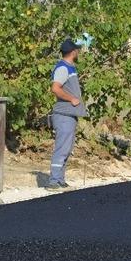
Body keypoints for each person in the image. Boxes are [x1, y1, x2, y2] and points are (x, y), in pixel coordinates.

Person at [47, 38, 88, 191]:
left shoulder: (70, 67)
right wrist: (72, 99)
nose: (78, 52)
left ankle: (60, 180)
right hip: (63, 114)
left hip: (69, 114)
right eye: (77, 50)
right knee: (62, 148)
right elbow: (55, 88)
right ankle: (53, 181)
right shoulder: (63, 68)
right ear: (73, 52)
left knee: (67, 148)